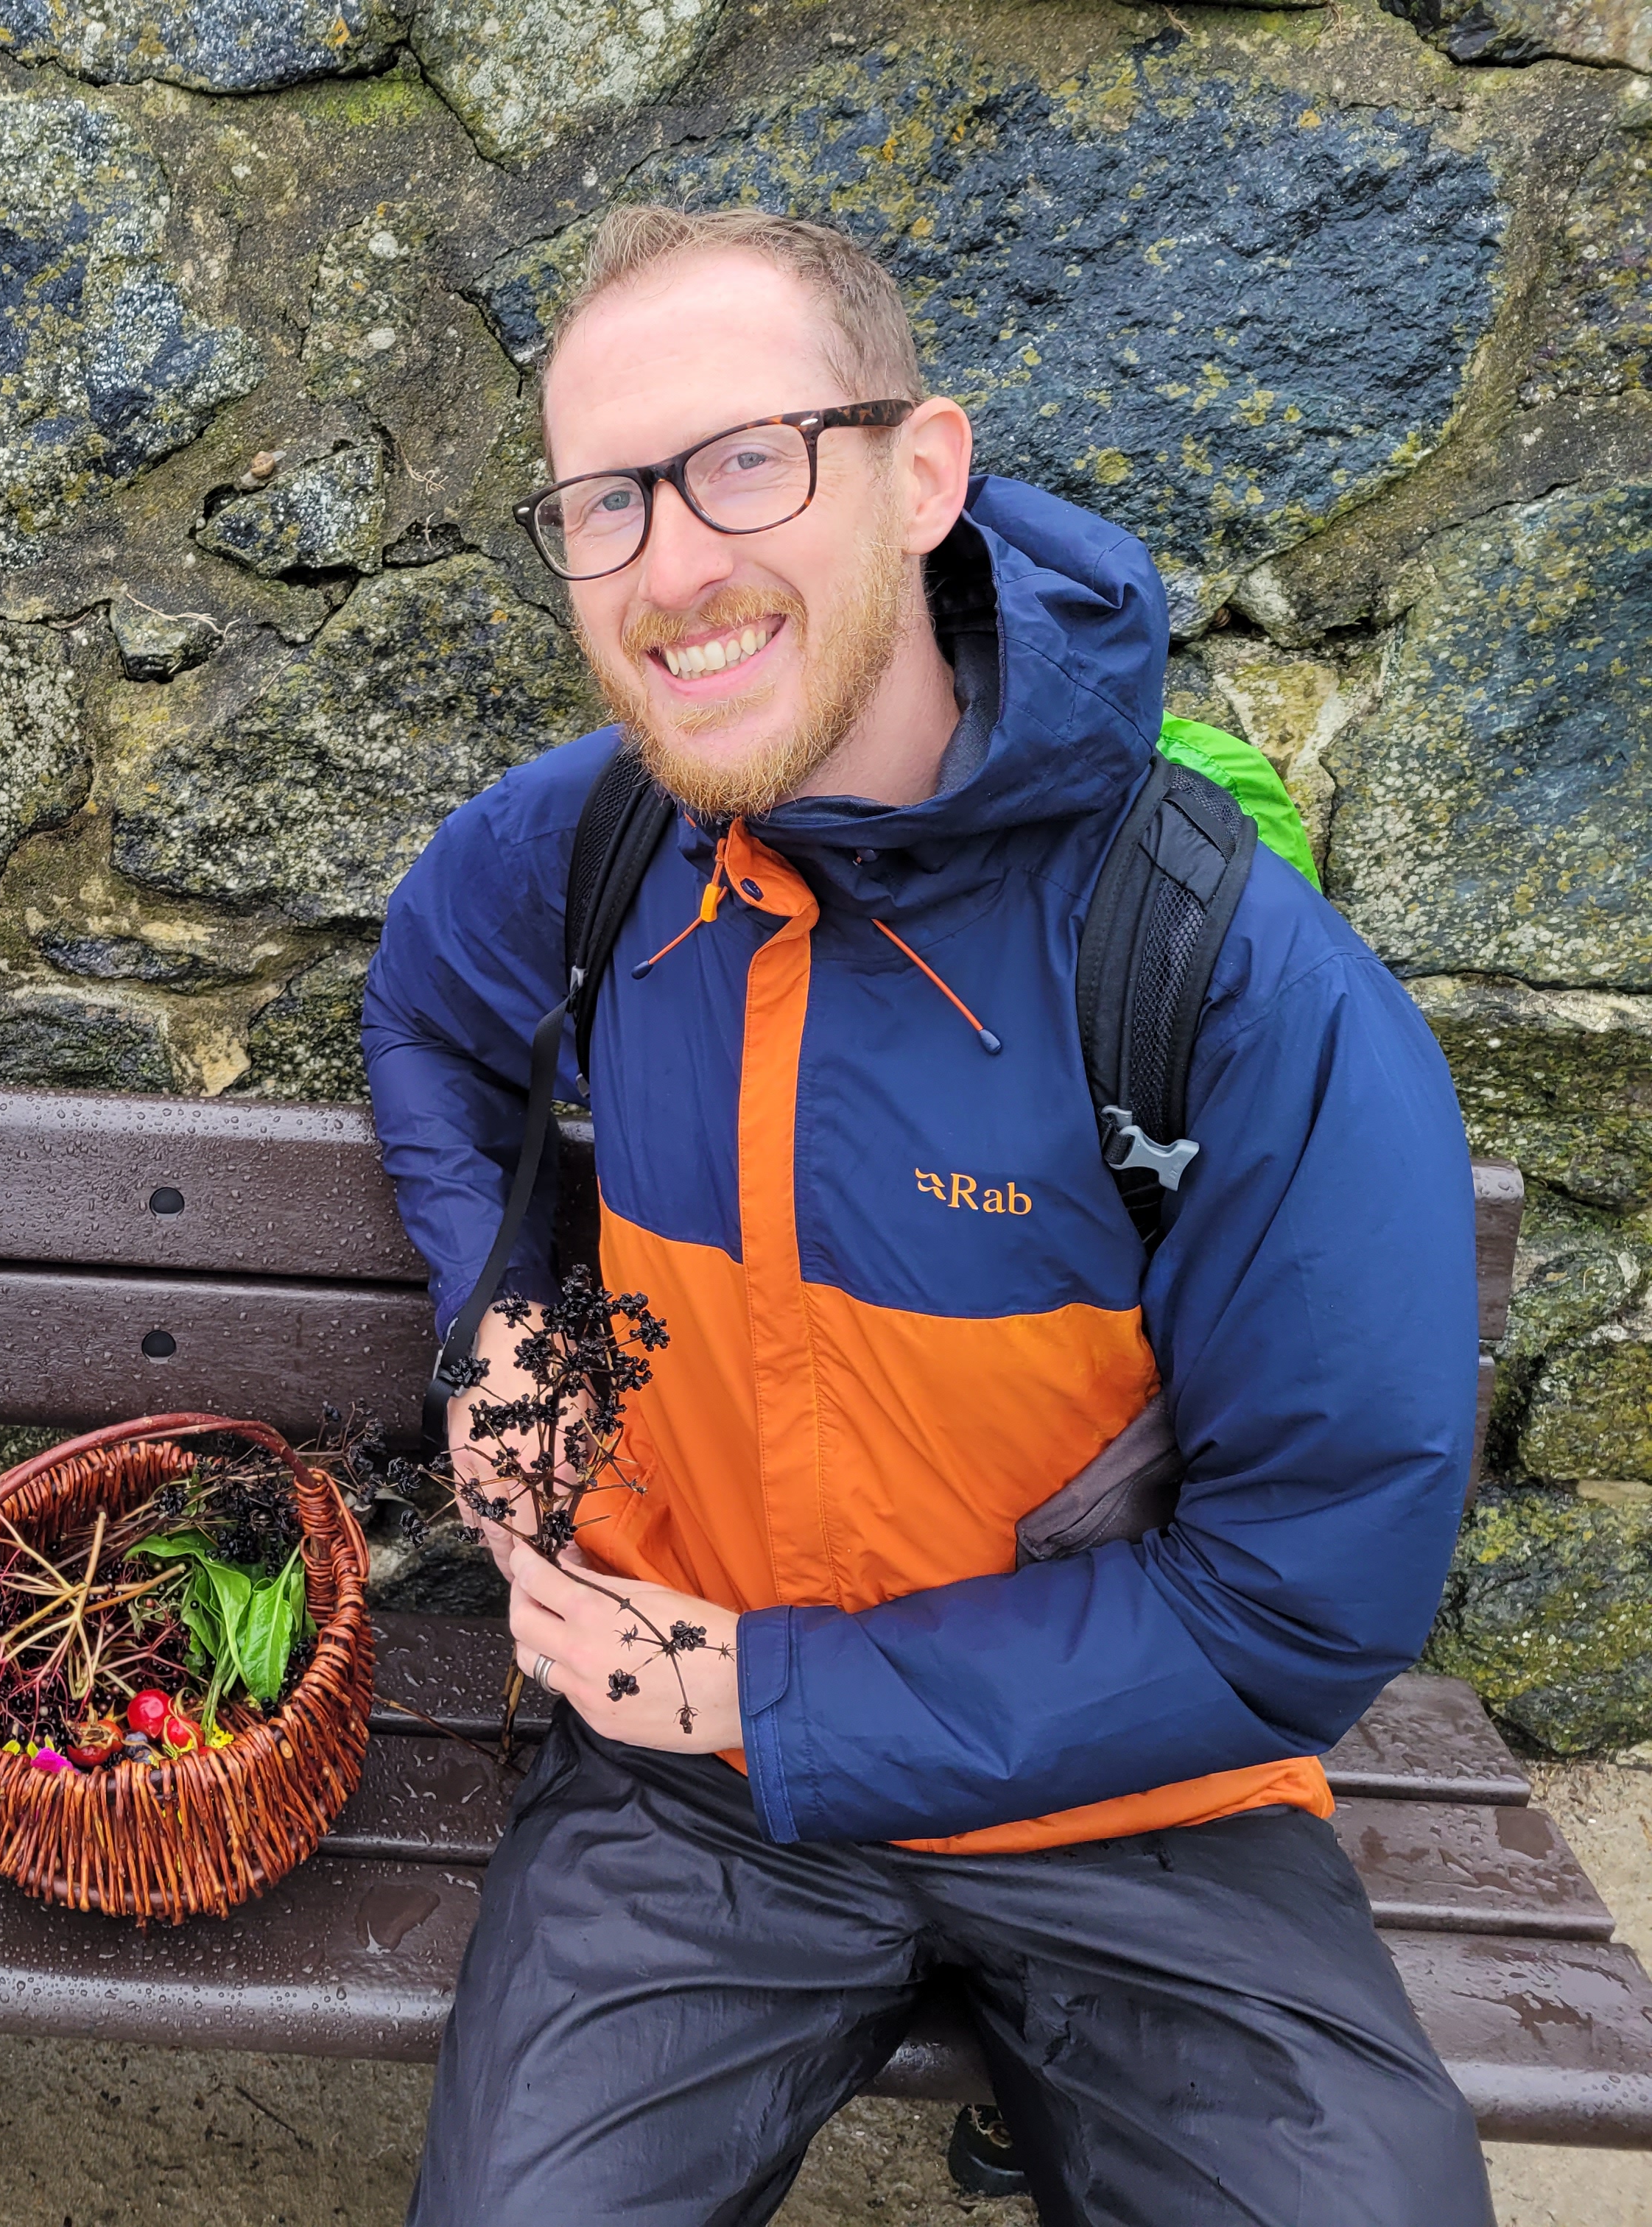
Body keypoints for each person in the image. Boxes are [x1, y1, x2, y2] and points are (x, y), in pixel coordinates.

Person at [362, 208, 1491, 2224]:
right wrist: (502, 1302)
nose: (674, 566)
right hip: (683, 1792)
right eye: (603, 502)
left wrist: (766, 1692)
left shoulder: (1227, 973)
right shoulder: (600, 839)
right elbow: (427, 1017)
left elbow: (1304, 1596)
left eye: (745, 462)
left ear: (926, 472)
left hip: (1141, 1800)